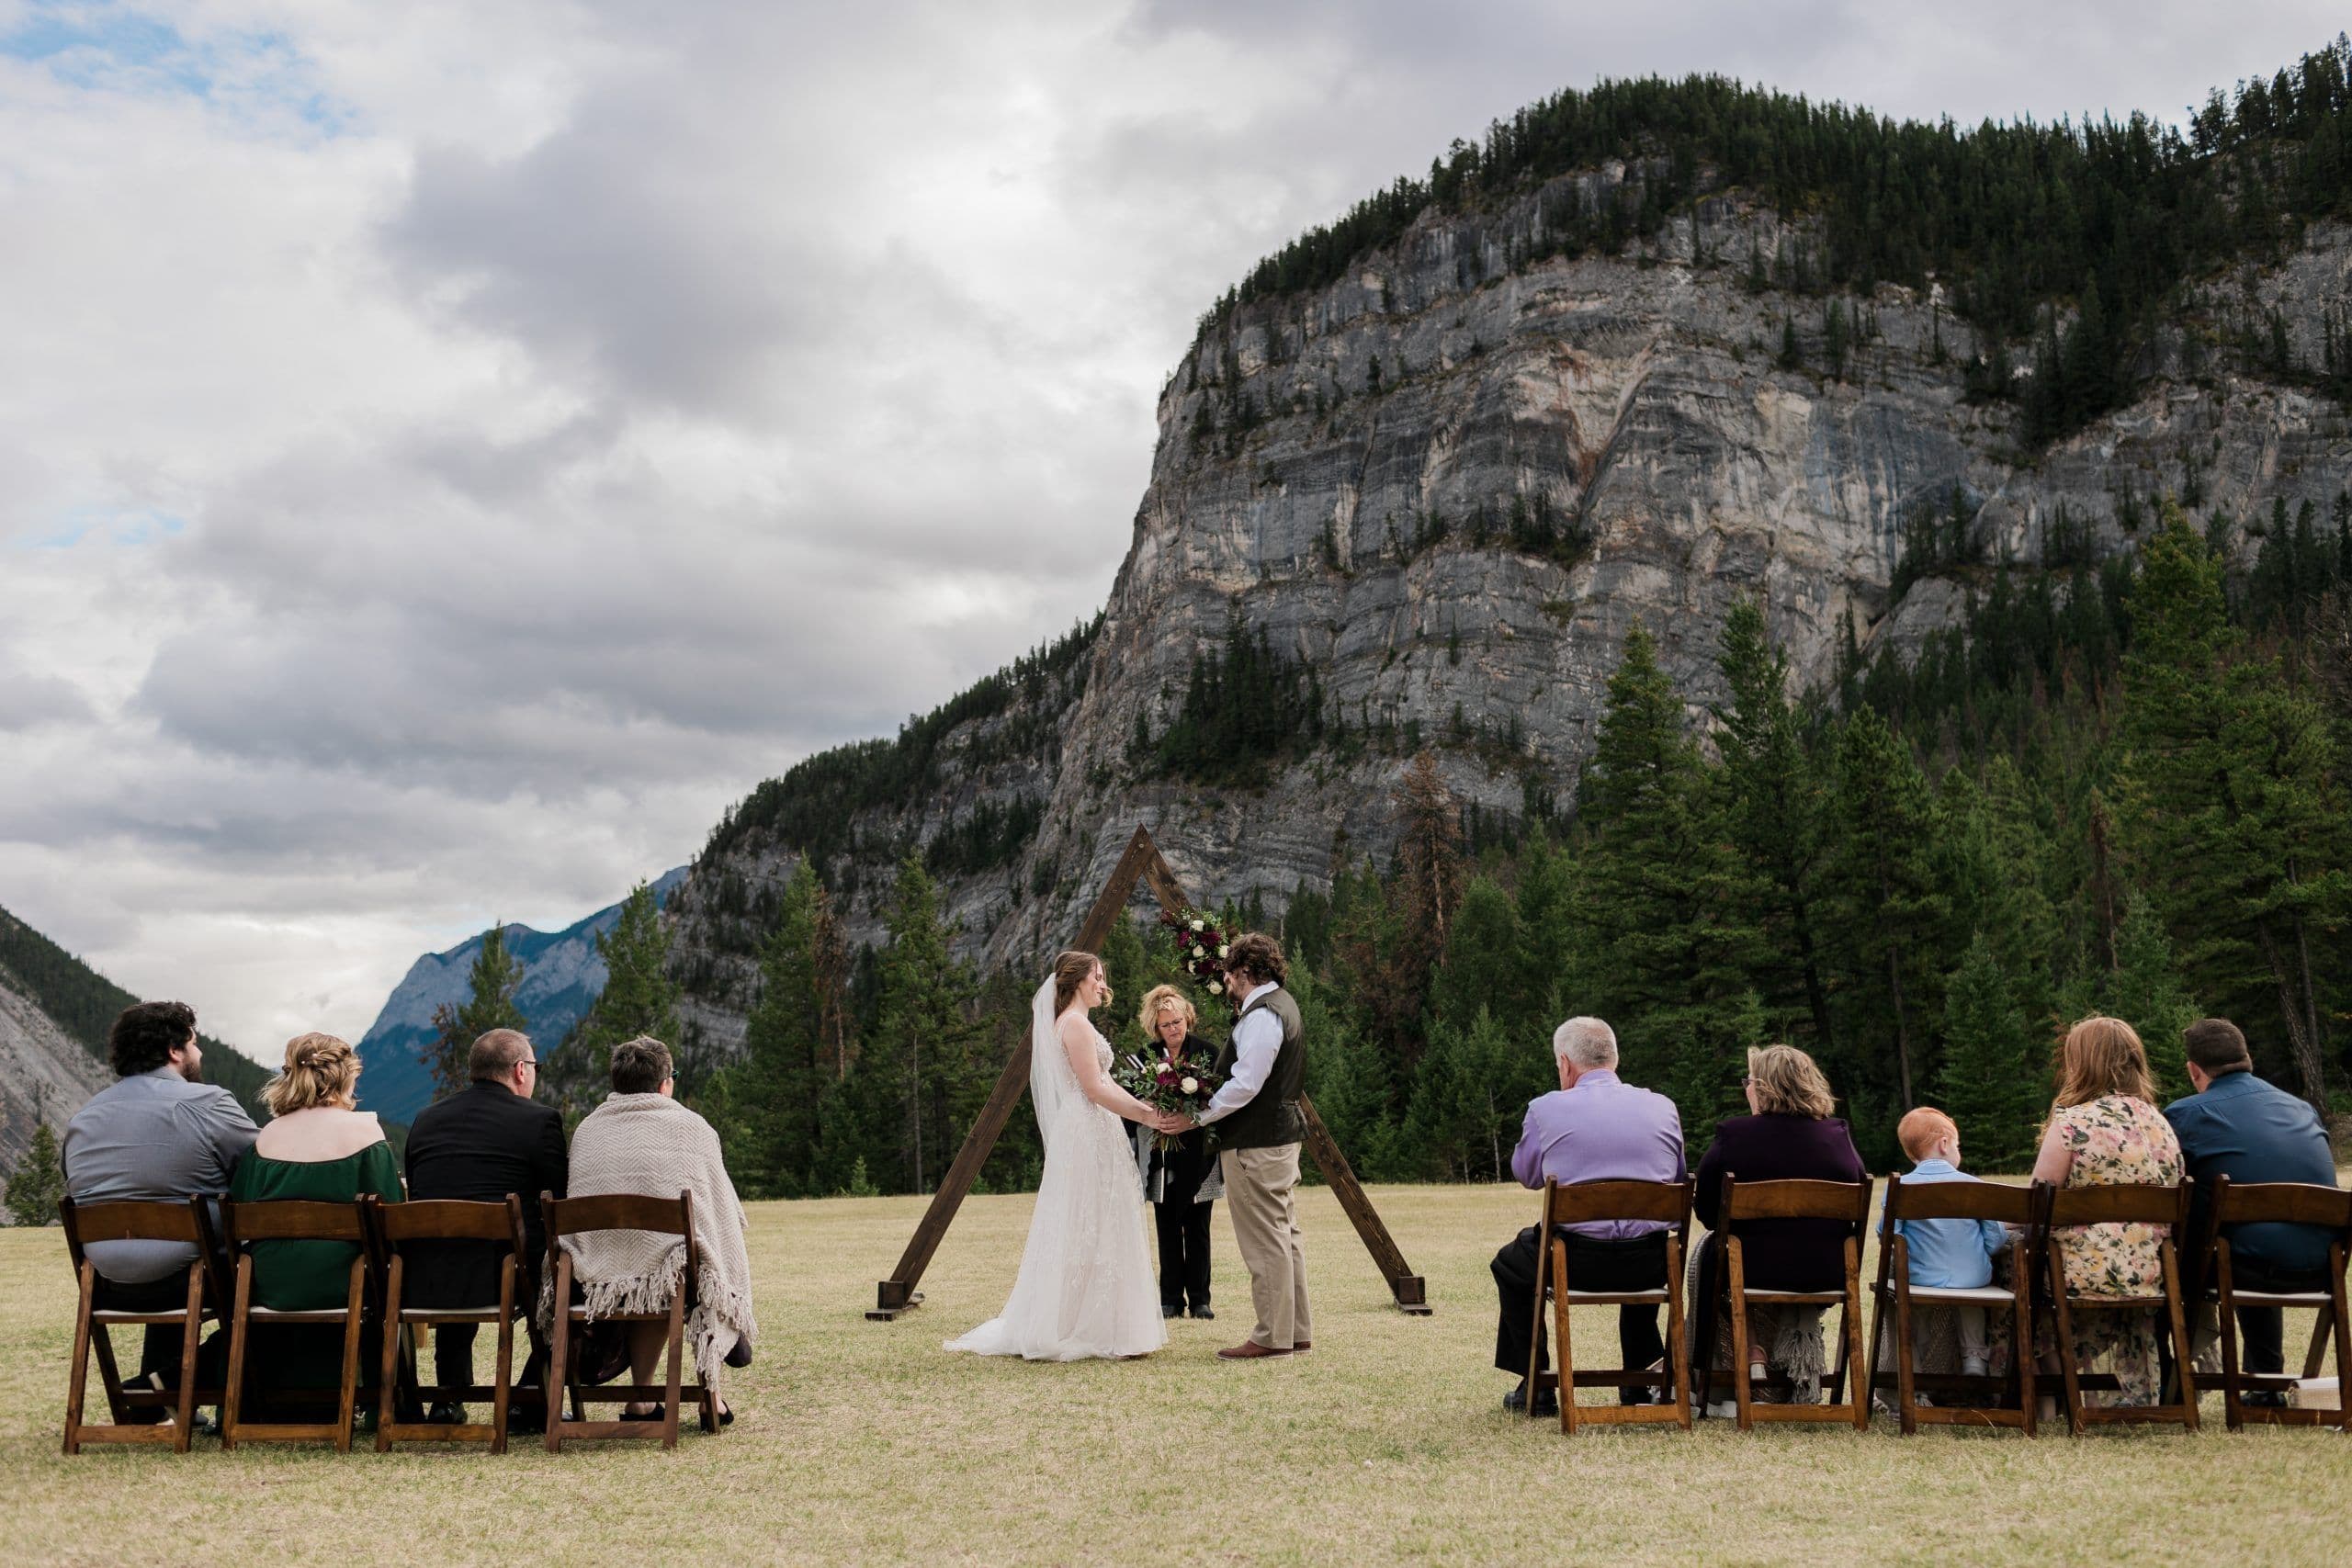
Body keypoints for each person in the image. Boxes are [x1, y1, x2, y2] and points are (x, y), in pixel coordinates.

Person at [947, 953, 1178, 1360]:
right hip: (1088, 1128)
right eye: (1097, 977)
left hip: (1097, 1125)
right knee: (1087, 1217)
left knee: (1100, 1217)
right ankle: (1079, 1324)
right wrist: (1144, 1114)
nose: (1103, 985)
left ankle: (1101, 1319)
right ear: (1076, 982)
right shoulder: (1073, 1025)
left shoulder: (1078, 1024)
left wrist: (1145, 1110)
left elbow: (1106, 1083)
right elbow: (1093, 1089)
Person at [62, 1000, 258, 1418]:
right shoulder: (207, 1103)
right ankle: (167, 1385)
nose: (199, 1053)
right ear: (174, 1051)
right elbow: (263, 1169)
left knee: (172, 1242)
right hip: (192, 1275)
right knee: (282, 1278)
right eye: (195, 1042)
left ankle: (153, 1404)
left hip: (106, 1281)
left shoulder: (83, 1117)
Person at [1489, 1017, 1684, 1416]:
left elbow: (1527, 1176)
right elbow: (1678, 1180)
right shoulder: (1662, 1107)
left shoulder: (1545, 1109)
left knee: (1510, 1264)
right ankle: (1639, 1378)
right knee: (1644, 1240)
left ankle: (1537, 1382)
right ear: (1615, 1058)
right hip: (1650, 1264)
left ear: (1565, 1064)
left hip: (1576, 1262)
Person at [561, 1036, 756, 1420]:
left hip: (595, 1275)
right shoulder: (691, 1127)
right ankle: (710, 1394)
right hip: (668, 1275)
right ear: (665, 1082)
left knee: (657, 1264)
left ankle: (642, 1398)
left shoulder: (587, 1130)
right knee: (690, 1261)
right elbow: (718, 1208)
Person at [2163, 1017, 2339, 1404]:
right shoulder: (2302, 1108)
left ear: (2194, 1070)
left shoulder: (2185, 1115)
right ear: (2248, 1058)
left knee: (2201, 1242)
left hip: (2241, 1264)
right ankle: (2265, 1382)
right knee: (2255, 1235)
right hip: (2323, 1266)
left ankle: (2168, 1383)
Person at [401, 1027, 569, 1424]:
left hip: (426, 1275)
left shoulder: (426, 1120)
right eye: (534, 1066)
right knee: (558, 1267)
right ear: (520, 1070)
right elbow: (561, 1200)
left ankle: (447, 1396)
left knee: (457, 1248)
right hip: (509, 1275)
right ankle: (529, 1396)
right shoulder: (540, 1121)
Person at [225, 1033, 405, 1402]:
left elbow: (240, 1207)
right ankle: (380, 1402)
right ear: (346, 1077)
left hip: (270, 1284)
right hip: (345, 1284)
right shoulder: (365, 1134)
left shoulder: (265, 1139)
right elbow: (390, 1220)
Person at [1689, 1043, 1866, 1410]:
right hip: (1827, 1271)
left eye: (1749, 1081)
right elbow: (1858, 1199)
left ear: (1765, 1087)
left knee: (1709, 1254)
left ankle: (1715, 1375)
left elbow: (1706, 1208)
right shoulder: (1837, 1136)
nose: (1746, 1088)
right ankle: (1795, 1376)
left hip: (1750, 1268)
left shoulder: (1735, 1136)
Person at [2030, 1016, 2186, 1408]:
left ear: (2081, 1063)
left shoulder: (2072, 1123)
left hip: (2079, 1273)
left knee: (2006, 1266)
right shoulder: (2160, 1123)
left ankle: (2046, 1392)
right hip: (2151, 1272)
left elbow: (2036, 1205)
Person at [1181, 931, 1314, 1361]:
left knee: (1264, 1239)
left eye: (1230, 974)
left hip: (1257, 1144)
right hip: (1278, 1139)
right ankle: (1294, 1331)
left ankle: (1273, 1336)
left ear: (1243, 972)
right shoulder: (1284, 1005)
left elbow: (1247, 1084)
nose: (1228, 982)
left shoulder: (1261, 1015)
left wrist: (1199, 1115)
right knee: (1284, 1234)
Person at [1891, 1106, 2010, 1379]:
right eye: (1958, 1144)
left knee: (1917, 1310)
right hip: (1973, 1277)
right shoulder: (1975, 1186)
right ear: (1944, 1144)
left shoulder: (1901, 1187)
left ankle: (1917, 1361)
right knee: (1972, 1301)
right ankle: (1974, 1358)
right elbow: (1995, 1237)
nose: (1959, 1151)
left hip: (1920, 1277)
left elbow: (1889, 1235)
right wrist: (1980, 1252)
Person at [1130, 984, 1222, 1321]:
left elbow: (1220, 1098)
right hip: (1161, 1155)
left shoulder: (1208, 1053)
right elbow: (1133, 1100)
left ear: (1188, 1019)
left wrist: (1192, 1117)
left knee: (1198, 1227)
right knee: (1167, 1227)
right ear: (1156, 1027)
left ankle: (1200, 1299)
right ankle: (1170, 1299)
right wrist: (1153, 1110)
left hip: (1200, 1155)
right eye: (1166, 1025)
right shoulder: (1145, 1059)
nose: (1174, 1029)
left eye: (1178, 1022)